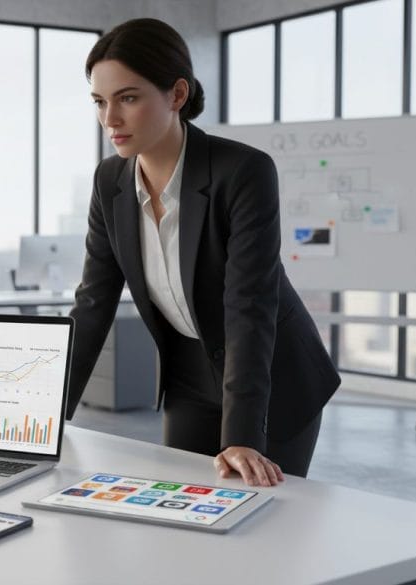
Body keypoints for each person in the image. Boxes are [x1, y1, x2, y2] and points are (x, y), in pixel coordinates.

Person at [66, 18, 340, 487]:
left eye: (128, 98)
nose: (110, 119)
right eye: (99, 101)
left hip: (271, 376)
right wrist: (45, 418)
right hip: (189, 376)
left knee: (261, 524)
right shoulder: (109, 181)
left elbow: (249, 308)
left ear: (176, 95)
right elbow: (93, 304)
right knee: (183, 517)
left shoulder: (243, 172)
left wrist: (243, 435)